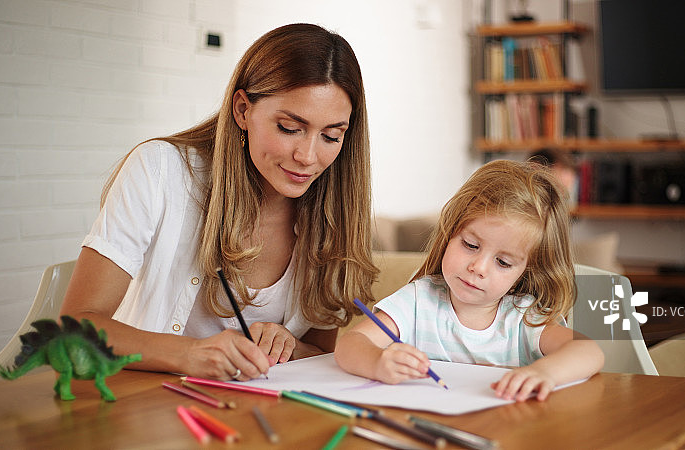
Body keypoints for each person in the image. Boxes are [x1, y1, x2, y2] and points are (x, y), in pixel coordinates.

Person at [60, 23, 378, 381]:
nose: (307, 156)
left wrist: (288, 345)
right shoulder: (160, 170)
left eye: (331, 136)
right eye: (289, 128)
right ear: (242, 110)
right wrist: (190, 354)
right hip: (145, 408)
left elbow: (319, 353)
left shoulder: (333, 212)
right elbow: (75, 329)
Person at [335, 159, 604, 401]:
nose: (478, 267)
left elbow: (589, 351)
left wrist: (545, 372)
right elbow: (350, 345)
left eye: (503, 262)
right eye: (471, 245)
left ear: (525, 270)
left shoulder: (524, 317)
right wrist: (377, 361)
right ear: (450, 233)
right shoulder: (418, 301)